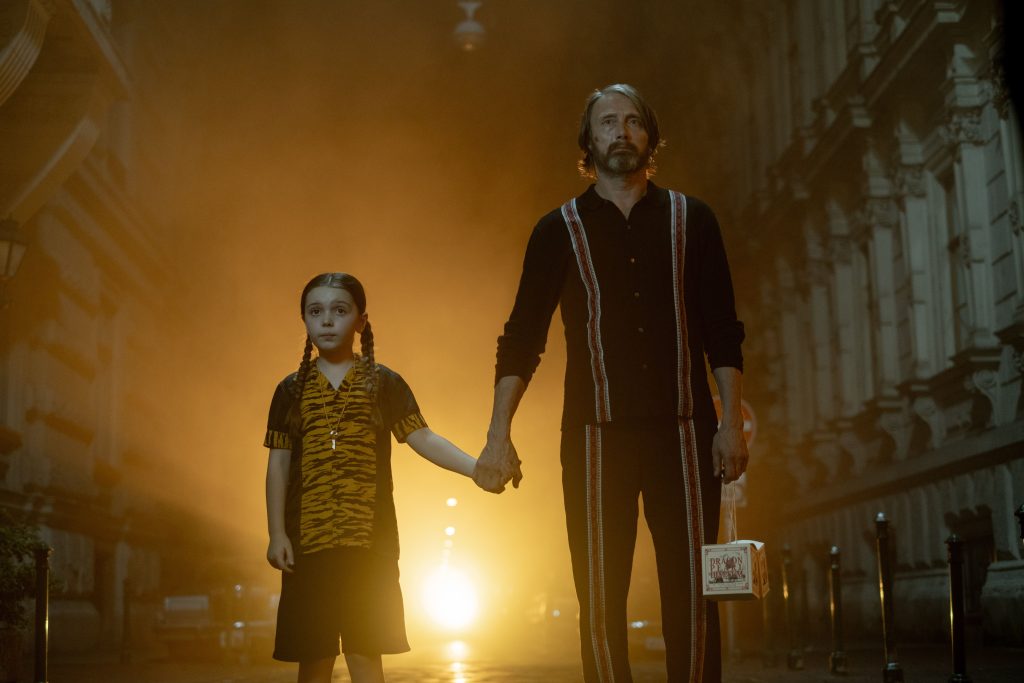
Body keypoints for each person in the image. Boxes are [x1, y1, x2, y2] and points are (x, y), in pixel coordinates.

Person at [475, 84, 749, 682]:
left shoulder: (692, 219)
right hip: (596, 438)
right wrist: (499, 434)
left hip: (685, 432)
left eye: (632, 122)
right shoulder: (557, 230)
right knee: (599, 598)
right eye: (607, 123)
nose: (620, 131)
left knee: (692, 596)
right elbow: (522, 339)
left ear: (649, 138)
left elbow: (722, 330)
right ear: (589, 141)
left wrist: (731, 423)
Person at [264, 272, 478, 683]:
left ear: (360, 321)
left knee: (366, 654)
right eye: (316, 311)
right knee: (313, 657)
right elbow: (279, 464)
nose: (327, 320)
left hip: (371, 544)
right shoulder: (290, 390)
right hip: (307, 544)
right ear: (305, 321)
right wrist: (277, 534)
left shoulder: (384, 383)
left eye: (339, 311)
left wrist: (475, 468)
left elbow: (422, 437)